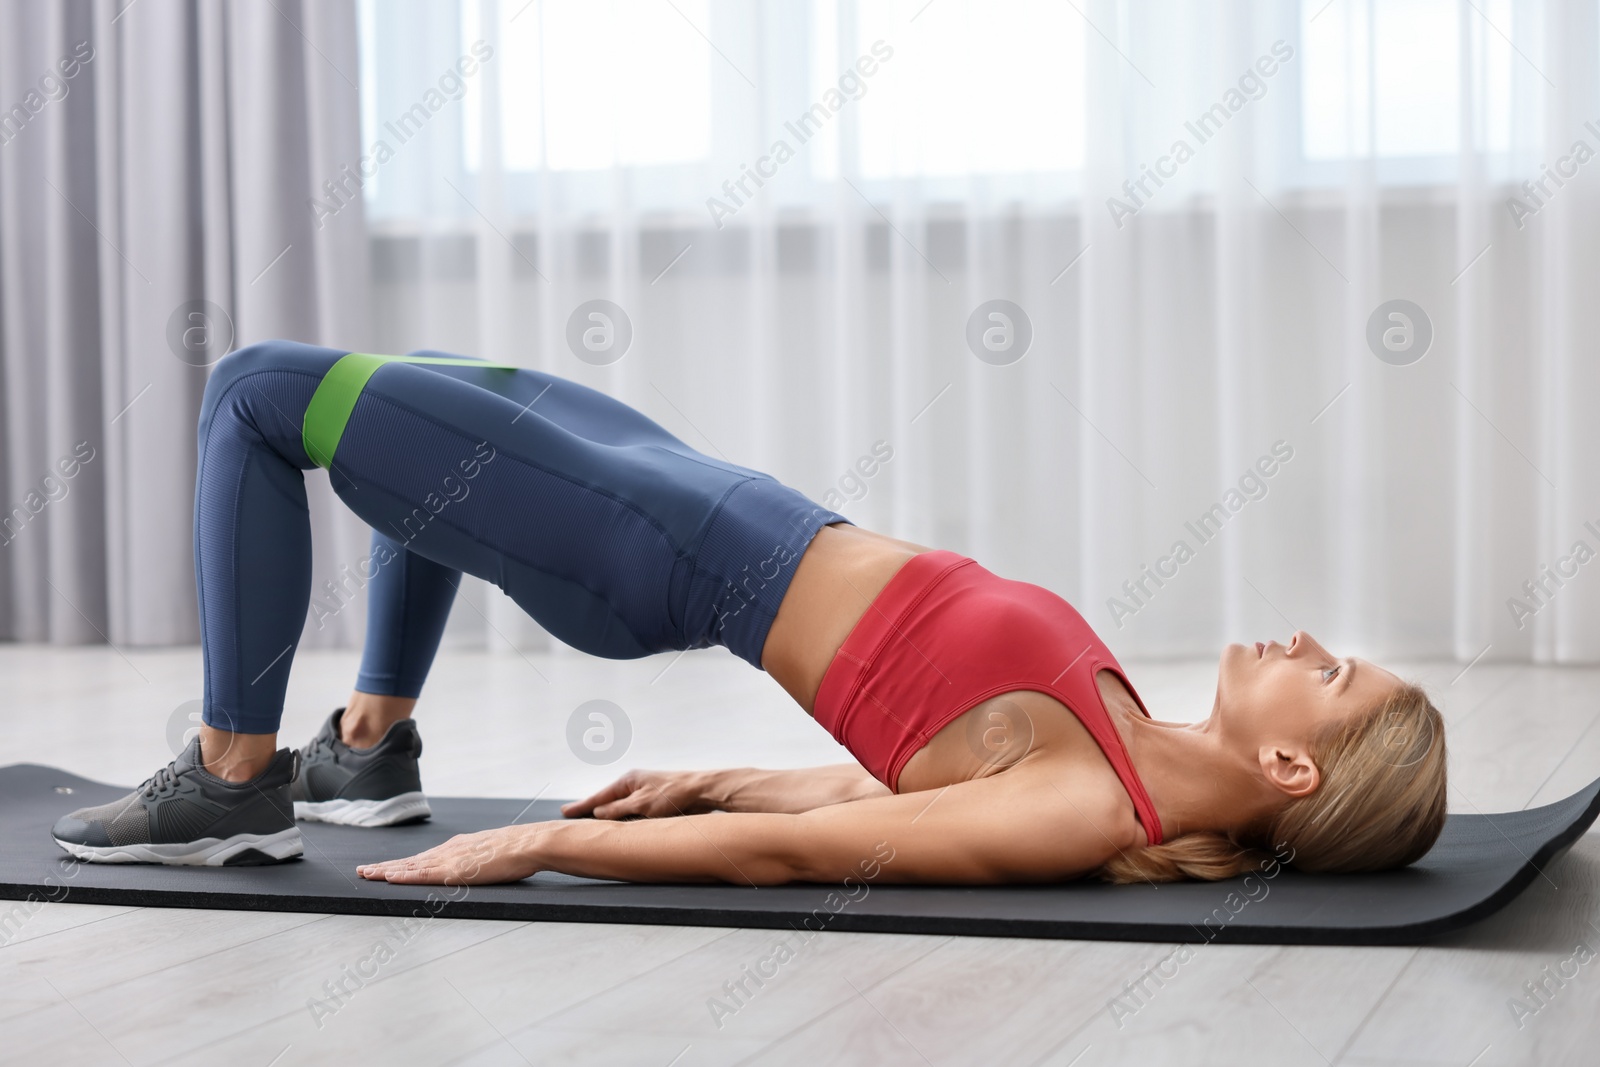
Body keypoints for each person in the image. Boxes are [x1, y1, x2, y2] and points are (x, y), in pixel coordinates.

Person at [52, 341, 1447, 886]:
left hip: (659, 550)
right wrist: (704, 772)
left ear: (1291, 769)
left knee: (255, 396)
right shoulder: (1127, 737)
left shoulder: (1090, 809)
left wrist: (534, 844)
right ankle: (368, 747)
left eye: (1330, 677)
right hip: (712, 497)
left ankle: (232, 776)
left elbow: (817, 849)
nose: (1306, 644)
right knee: (427, 396)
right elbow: (894, 763)